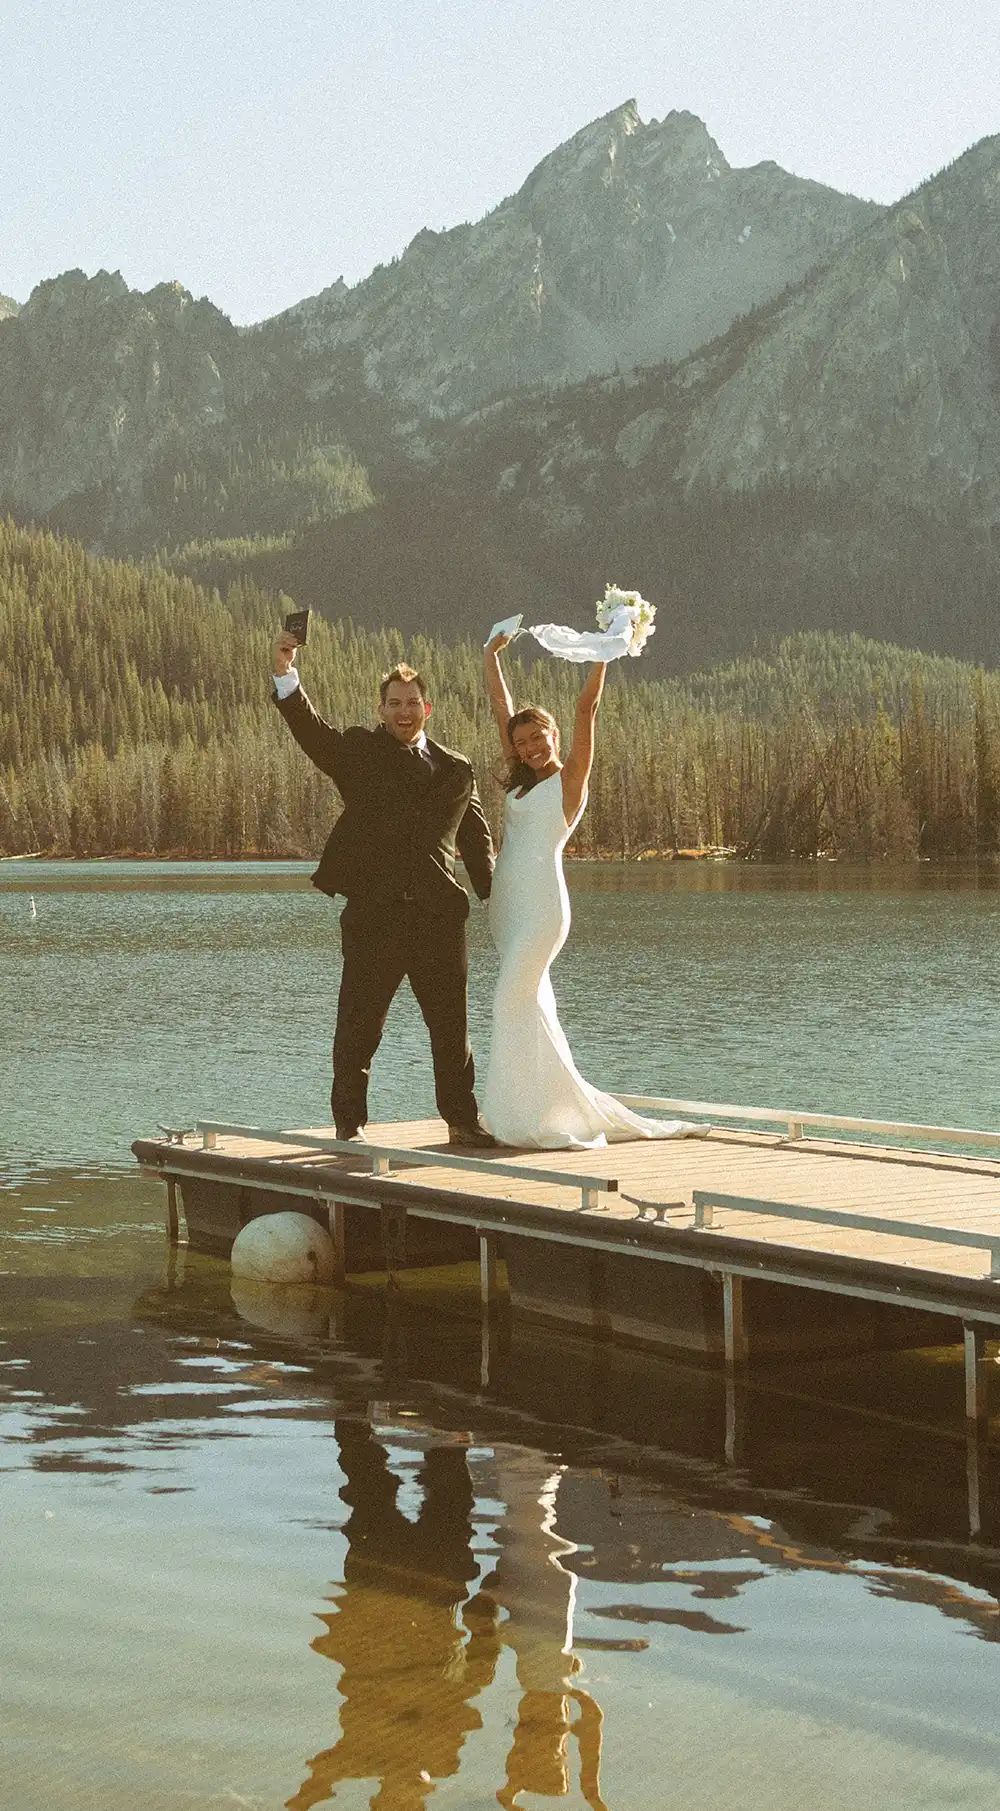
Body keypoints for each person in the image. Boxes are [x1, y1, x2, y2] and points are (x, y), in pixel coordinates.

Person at [479, 631, 708, 1148]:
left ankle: (526, 1117)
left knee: (509, 1002)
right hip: (507, 907)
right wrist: (491, 656)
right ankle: (540, 1110)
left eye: (540, 737)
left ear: (554, 736)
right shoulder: (520, 781)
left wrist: (604, 657)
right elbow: (502, 707)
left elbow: (587, 711)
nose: (532, 747)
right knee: (531, 1008)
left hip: (541, 910)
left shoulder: (570, 781)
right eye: (522, 741)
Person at [272, 631, 496, 1146]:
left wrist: (497, 900)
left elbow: (477, 840)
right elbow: (312, 732)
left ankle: (462, 1122)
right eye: (394, 703)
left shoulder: (457, 768)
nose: (404, 711)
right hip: (374, 918)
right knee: (359, 1028)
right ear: (381, 709)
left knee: (451, 1029)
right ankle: (349, 1126)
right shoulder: (359, 753)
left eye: (412, 703)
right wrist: (287, 674)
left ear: (428, 708)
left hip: (439, 919)